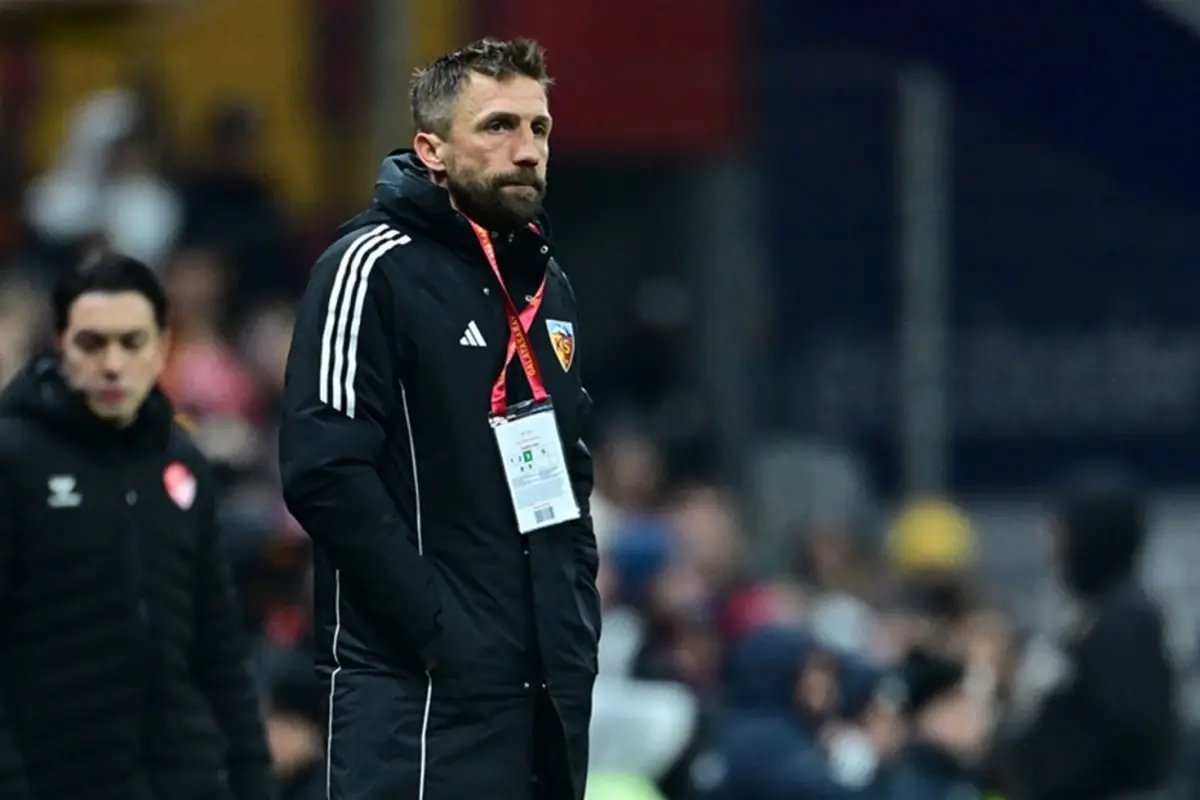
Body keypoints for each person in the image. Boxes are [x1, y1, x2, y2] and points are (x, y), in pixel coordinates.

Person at [279, 37, 599, 800]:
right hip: (416, 697)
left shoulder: (546, 284)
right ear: (432, 150)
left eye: (539, 128)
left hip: (543, 693)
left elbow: (571, 467)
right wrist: (440, 631)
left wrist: (574, 625)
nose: (527, 150)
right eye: (498, 127)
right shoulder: (369, 266)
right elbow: (324, 470)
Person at [0, 253, 274, 799]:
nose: (112, 364)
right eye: (92, 344)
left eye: (131, 343)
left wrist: (252, 779)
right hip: (57, 775)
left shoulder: (182, 463)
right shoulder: (15, 460)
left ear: (161, 347)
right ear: (60, 345)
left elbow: (219, 645)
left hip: (180, 777)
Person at [1006, 470, 1178, 799]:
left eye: (1062, 534)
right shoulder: (1092, 614)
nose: (1051, 548)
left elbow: (1122, 734)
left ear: (1093, 537)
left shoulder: (1129, 623)